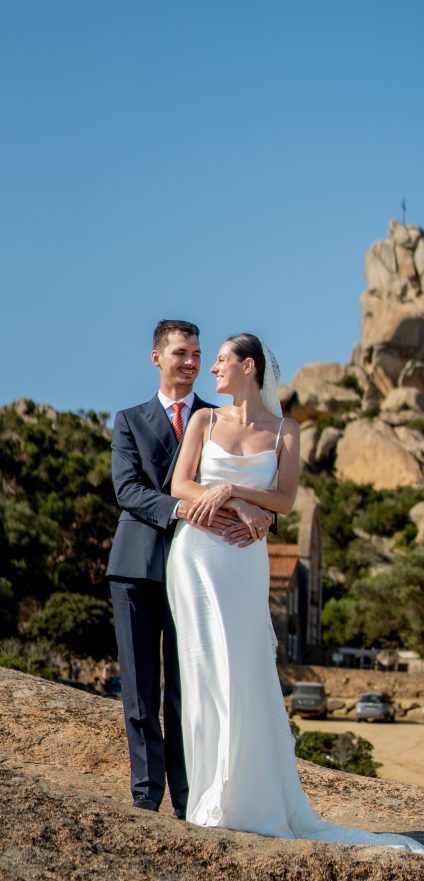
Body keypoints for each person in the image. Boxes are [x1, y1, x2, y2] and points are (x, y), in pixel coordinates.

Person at [167, 333, 424, 854]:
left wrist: (234, 490)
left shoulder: (287, 430)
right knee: (205, 672)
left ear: (249, 367)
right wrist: (240, 506)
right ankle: (208, 799)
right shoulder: (204, 420)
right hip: (197, 554)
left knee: (244, 670)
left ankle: (247, 798)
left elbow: (285, 501)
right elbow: (180, 485)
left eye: (221, 360)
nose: (212, 368)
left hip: (245, 559)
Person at [107, 320, 272, 818]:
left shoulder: (217, 416)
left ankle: (188, 796)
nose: (192, 362)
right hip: (137, 564)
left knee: (189, 687)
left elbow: (252, 477)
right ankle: (145, 793)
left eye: (198, 354)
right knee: (140, 688)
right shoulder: (129, 420)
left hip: (202, 568)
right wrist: (181, 508)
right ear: (157, 357)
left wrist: (262, 514)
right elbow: (128, 490)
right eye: (181, 353)